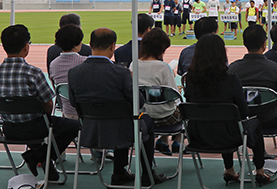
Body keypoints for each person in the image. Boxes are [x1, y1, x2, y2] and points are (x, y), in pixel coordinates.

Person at [68, 28, 166, 185]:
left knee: (124, 118)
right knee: (144, 121)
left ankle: (119, 172)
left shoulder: (74, 72)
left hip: (90, 130)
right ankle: (147, 173)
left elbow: (74, 103)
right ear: (113, 46)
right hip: (121, 131)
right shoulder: (121, 73)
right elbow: (138, 102)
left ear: (90, 44)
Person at [183, 35, 273, 184]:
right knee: (252, 123)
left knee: (223, 121)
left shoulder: (190, 79)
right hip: (228, 136)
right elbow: (243, 112)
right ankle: (260, 171)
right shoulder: (230, 79)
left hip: (198, 135)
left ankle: (230, 169)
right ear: (221, 53)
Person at [0, 25, 81, 180]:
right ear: (26, 47)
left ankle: (43, 159)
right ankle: (40, 156)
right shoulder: (33, 72)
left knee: (44, 125)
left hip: (8, 128)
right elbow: (48, 104)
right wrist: (46, 120)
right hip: (35, 127)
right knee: (74, 126)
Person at [228, 24, 277, 165]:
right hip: (271, 117)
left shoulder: (233, 69)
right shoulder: (275, 69)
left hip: (245, 120)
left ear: (244, 43)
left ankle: (259, 151)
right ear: (265, 43)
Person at [130, 28, 182, 155]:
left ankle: (163, 140)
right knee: (184, 110)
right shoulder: (164, 67)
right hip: (164, 117)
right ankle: (178, 141)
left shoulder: (133, 64)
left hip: (139, 116)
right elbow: (173, 95)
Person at [49, 25, 87, 120]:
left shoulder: (53, 64)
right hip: (86, 114)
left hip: (66, 114)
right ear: (77, 44)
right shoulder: (85, 61)